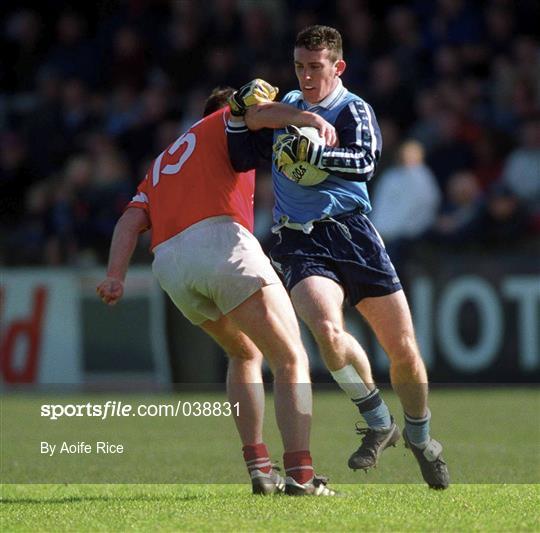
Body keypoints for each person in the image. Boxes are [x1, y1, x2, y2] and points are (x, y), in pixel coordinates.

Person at [228, 25, 450, 489]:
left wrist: (316, 153)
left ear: (338, 67)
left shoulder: (354, 109)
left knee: (403, 352)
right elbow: (243, 145)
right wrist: (237, 113)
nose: (306, 76)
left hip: (353, 234)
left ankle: (421, 435)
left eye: (315, 67)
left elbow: (365, 161)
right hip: (300, 239)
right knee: (327, 331)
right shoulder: (287, 108)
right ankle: (376, 418)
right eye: (299, 66)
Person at [97, 83, 338, 496]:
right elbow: (257, 114)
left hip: (170, 263)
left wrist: (115, 274)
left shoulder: (163, 161)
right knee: (290, 357)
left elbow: (129, 221)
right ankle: (300, 477)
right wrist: (308, 117)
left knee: (244, 351)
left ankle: (260, 469)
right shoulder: (227, 119)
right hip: (219, 241)